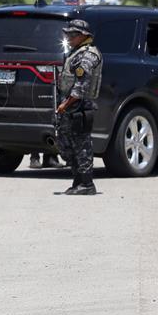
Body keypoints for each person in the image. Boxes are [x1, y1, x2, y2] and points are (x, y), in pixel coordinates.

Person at [55, 19, 103, 195]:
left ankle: (87, 183)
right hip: (70, 105)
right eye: (68, 34)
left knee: (81, 144)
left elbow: (81, 85)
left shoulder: (88, 55)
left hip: (80, 106)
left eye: (73, 34)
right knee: (68, 144)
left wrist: (65, 104)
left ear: (84, 36)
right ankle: (77, 181)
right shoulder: (75, 52)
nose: (69, 37)